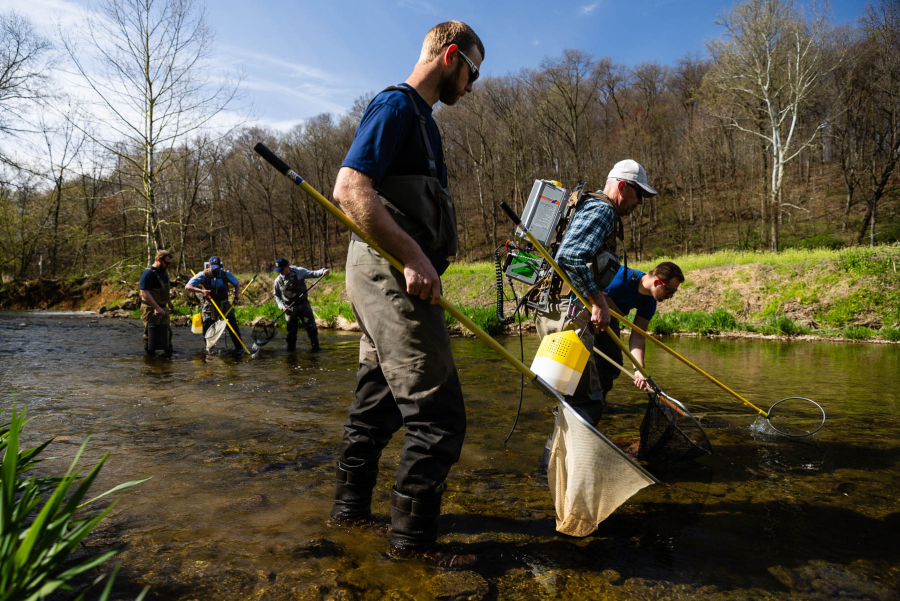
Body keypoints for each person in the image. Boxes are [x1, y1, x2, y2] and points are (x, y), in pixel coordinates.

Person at [330, 21, 484, 554]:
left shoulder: (425, 124)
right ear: (450, 56)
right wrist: (415, 256)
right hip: (390, 278)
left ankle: (348, 519)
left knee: (380, 404)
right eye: (474, 71)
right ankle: (409, 551)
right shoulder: (395, 107)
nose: (473, 84)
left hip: (396, 279)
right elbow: (349, 188)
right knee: (439, 418)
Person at [535, 159, 659, 424]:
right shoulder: (603, 211)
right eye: (639, 195)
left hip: (559, 312)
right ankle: (568, 464)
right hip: (567, 317)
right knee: (583, 403)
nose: (640, 203)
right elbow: (571, 256)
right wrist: (599, 301)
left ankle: (559, 462)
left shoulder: (591, 207)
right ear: (623, 187)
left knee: (573, 397)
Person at [594, 261, 685, 394]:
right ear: (657, 282)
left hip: (609, 321)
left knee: (612, 365)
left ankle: (599, 402)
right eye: (669, 290)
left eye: (674, 292)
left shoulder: (650, 303)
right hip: (586, 313)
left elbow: (638, 337)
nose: (670, 296)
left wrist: (639, 371)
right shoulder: (622, 278)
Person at [184, 256, 243, 351]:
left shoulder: (225, 273)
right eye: (214, 267)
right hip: (209, 304)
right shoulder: (203, 274)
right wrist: (201, 291)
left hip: (224, 303)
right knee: (208, 326)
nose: (216, 270)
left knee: (232, 324)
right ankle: (209, 348)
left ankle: (239, 347)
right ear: (209, 265)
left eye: (217, 267)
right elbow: (187, 286)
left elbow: (237, 283)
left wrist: (236, 298)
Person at [272, 258, 330, 351]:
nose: (280, 272)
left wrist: (323, 271)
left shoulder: (298, 271)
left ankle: (316, 350)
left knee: (312, 329)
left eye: (281, 270)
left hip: (304, 305)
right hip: (289, 308)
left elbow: (313, 273)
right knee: (291, 333)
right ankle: (291, 353)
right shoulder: (278, 280)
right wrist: (282, 307)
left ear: (287, 266)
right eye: (278, 271)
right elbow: (277, 296)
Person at [139, 250, 175, 356]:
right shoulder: (148, 273)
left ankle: (167, 357)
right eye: (166, 263)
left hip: (162, 307)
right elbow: (144, 292)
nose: (167, 265)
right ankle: (150, 359)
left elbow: (162, 289)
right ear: (158, 259)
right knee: (150, 333)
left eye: (169, 263)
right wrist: (156, 307)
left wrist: (169, 301)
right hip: (150, 308)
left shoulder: (163, 272)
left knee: (167, 332)